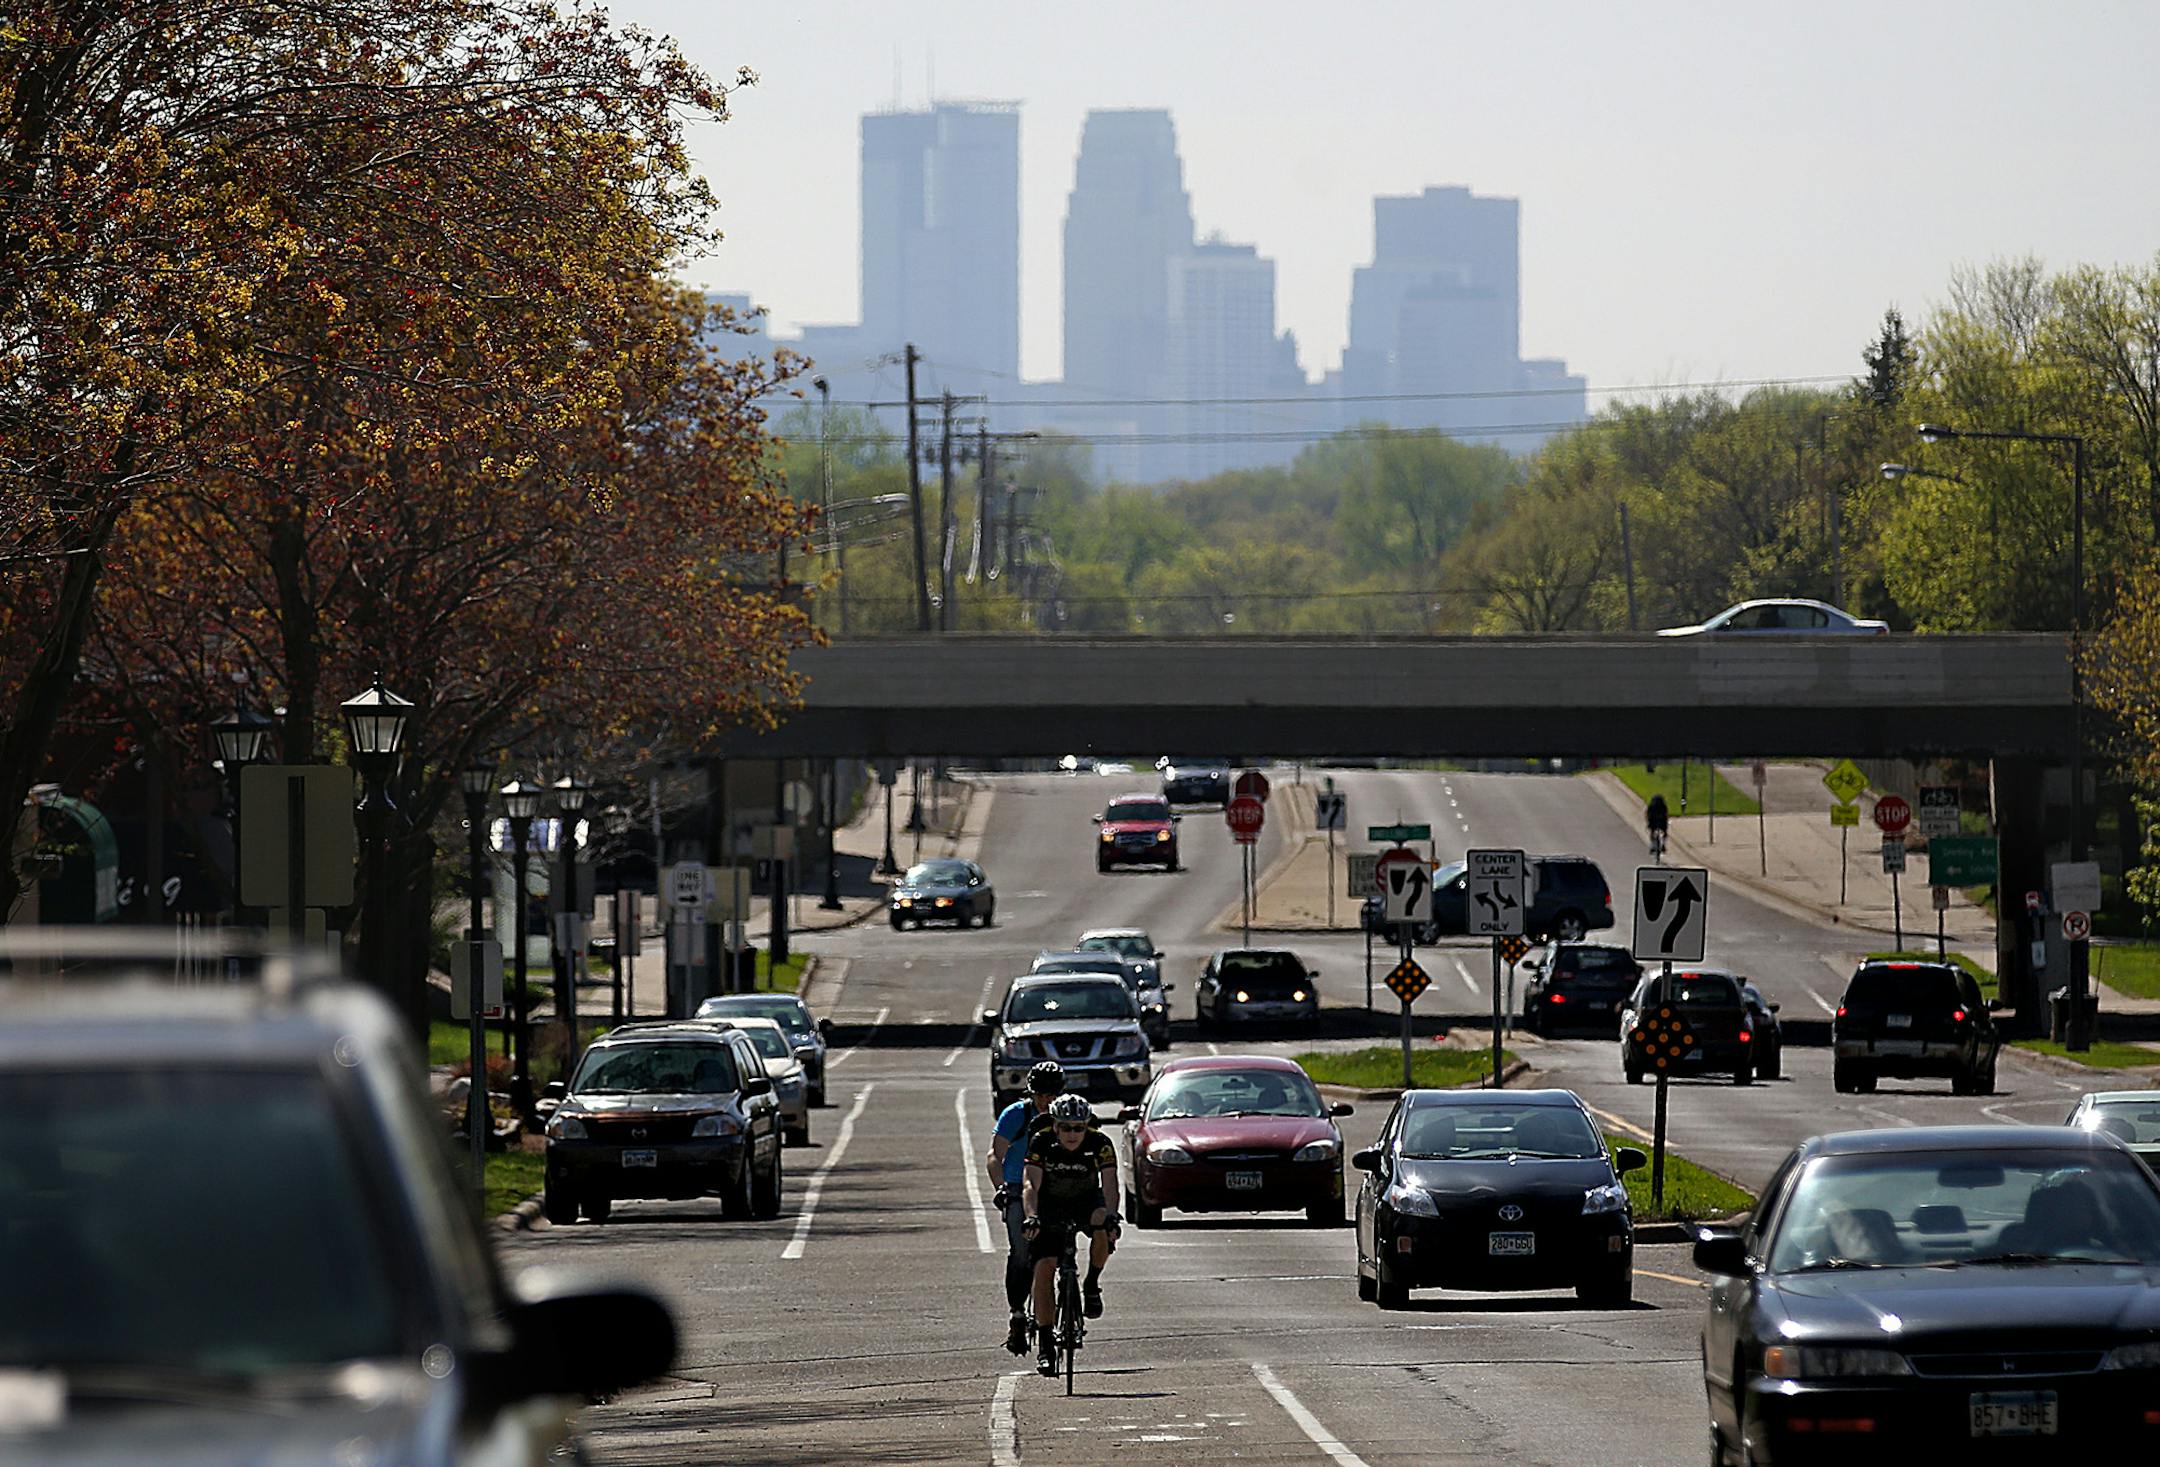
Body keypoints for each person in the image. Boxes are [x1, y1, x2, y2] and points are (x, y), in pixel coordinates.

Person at [1021, 1092, 1120, 1377]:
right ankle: (1045, 1344)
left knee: (1102, 1220)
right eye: (1065, 1127)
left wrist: (1112, 1216)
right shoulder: (1041, 1142)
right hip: (1050, 1205)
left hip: (1086, 1201)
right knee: (1043, 1269)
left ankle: (1091, 1284)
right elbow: (1031, 1184)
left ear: (1087, 1125)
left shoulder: (1100, 1144)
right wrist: (1031, 1217)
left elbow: (1110, 1183)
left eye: (1079, 1127)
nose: (1072, 1133)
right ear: (1055, 1126)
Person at [986, 1061, 1066, 1354]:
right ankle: (1017, 1314)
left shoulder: (1066, 1116)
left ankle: (1065, 1295)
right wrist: (1002, 1188)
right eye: (1042, 1094)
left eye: (1053, 1094)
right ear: (1032, 1093)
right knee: (1021, 1252)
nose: (1048, 1100)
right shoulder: (1016, 1115)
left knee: (1059, 1251)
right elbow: (995, 1155)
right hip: (1019, 1189)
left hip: (1055, 1189)